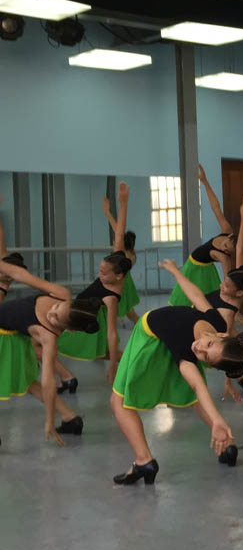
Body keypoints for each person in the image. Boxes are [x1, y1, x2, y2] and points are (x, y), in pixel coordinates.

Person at [109, 259, 243, 484]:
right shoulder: (217, 322)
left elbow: (198, 385)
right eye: (209, 345)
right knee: (193, 399)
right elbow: (197, 296)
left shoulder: (187, 355)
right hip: (160, 341)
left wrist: (218, 420)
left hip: (147, 340)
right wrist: (176, 272)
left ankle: (144, 461)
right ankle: (228, 445)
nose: (199, 349)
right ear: (223, 335)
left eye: (206, 357)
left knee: (117, 401)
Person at [0, 259, 100, 446]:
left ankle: (68, 418)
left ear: (69, 330)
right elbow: (21, 275)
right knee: (27, 382)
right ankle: (69, 418)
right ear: (67, 301)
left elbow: (48, 382)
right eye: (56, 307)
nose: (51, 314)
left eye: (56, 319)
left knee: (28, 382)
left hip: (4, 337)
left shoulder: (49, 338)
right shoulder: (62, 293)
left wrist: (49, 420)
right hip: (13, 335)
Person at [57, 182, 132, 385]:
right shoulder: (117, 260)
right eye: (100, 269)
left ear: (118, 276)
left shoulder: (111, 298)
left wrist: (113, 366)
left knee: (53, 343)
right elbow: (119, 233)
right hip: (78, 308)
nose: (99, 274)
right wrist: (122, 204)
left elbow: (112, 334)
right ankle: (134, 359)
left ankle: (133, 360)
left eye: (104, 273)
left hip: (83, 318)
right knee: (102, 353)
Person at [168, 164, 243, 306]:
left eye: (228, 251)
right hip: (193, 266)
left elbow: (228, 281)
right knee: (185, 298)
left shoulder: (224, 258)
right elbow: (215, 207)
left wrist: (231, 304)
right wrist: (205, 182)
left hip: (206, 271)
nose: (225, 249)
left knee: (206, 301)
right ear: (230, 237)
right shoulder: (227, 229)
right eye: (227, 245)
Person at [204, 193, 243, 402]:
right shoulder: (239, 276)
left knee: (226, 344)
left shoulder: (226, 315)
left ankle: (237, 377)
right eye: (224, 281)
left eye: (225, 286)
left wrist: (227, 383)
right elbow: (240, 247)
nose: (221, 285)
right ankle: (241, 378)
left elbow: (225, 349)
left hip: (210, 319)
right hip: (207, 308)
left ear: (238, 293)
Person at [102, 193, 140, 324]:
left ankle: (144, 328)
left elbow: (117, 229)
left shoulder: (123, 253)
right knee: (128, 312)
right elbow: (118, 230)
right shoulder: (132, 253)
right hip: (126, 282)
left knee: (129, 313)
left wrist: (107, 212)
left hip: (122, 283)